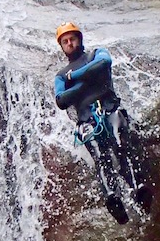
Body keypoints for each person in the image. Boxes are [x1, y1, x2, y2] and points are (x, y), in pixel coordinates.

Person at [54, 21, 153, 224]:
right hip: (87, 121)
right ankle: (112, 197)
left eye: (72, 39)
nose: (69, 43)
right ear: (62, 46)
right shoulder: (61, 75)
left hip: (110, 110)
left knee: (121, 146)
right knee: (102, 157)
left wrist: (76, 77)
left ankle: (138, 187)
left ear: (79, 39)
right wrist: (87, 81)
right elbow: (61, 100)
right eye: (65, 41)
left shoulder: (95, 54)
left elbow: (104, 63)